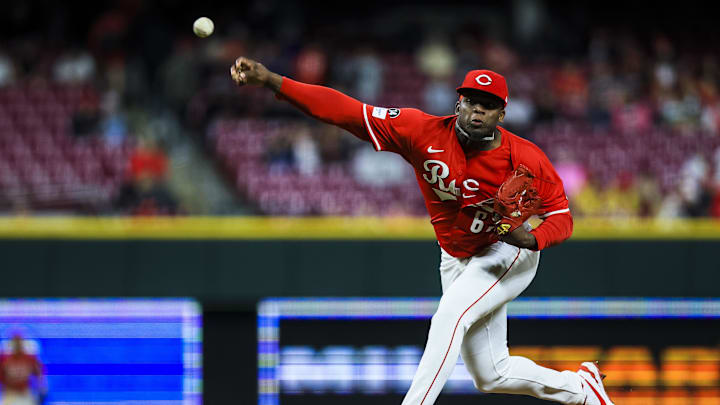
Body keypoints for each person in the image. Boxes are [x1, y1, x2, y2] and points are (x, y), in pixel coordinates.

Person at [230, 57, 614, 405]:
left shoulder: (525, 157)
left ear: (502, 113)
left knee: (448, 317)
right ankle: (582, 390)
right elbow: (346, 111)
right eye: (471, 99)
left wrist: (532, 239)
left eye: (489, 103)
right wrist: (272, 80)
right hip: (455, 255)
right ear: (457, 103)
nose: (477, 108)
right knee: (491, 374)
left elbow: (562, 216)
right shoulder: (420, 131)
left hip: (505, 252)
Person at [0, 334, 47, 405]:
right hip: (9, 393)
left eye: (19, 342)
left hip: (25, 392)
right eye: (15, 342)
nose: (17, 345)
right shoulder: (4, 360)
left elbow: (39, 375)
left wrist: (42, 389)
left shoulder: (30, 359)